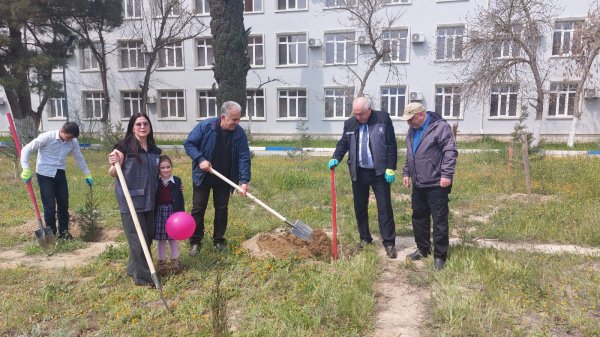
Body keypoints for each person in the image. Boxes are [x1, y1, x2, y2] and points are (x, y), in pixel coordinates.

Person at [328, 96, 398, 259]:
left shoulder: (382, 119)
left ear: (369, 110)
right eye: (355, 114)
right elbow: (343, 143)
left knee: (384, 207)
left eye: (360, 114)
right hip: (358, 172)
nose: (357, 117)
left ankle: (389, 242)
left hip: (379, 172)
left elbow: (391, 144)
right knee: (360, 207)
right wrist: (336, 158)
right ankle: (365, 238)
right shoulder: (350, 123)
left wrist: (390, 167)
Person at [184, 101, 251, 255]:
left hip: (224, 178)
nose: (237, 122)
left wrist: (243, 181)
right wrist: (200, 159)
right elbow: (189, 144)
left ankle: (219, 240)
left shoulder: (239, 133)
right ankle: (195, 241)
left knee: (221, 209)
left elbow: (243, 157)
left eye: (239, 119)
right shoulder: (206, 127)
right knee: (198, 209)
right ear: (223, 117)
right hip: (203, 176)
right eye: (234, 119)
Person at [400, 102, 458, 271]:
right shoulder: (412, 130)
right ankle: (423, 249)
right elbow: (411, 153)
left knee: (439, 220)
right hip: (418, 183)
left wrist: (446, 175)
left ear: (421, 115)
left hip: (436, 183)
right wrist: (406, 172)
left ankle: (440, 256)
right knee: (419, 217)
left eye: (410, 119)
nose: (408, 123)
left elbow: (450, 151)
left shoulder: (440, 127)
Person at [108, 113, 162, 287]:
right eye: (138, 124)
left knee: (147, 237)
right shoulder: (123, 148)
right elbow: (113, 172)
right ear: (132, 127)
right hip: (131, 201)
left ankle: (133, 269)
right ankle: (144, 279)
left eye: (145, 123)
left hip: (150, 199)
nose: (142, 127)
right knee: (137, 240)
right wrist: (113, 162)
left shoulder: (154, 150)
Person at [20, 122, 93, 240]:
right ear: (62, 131)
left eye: (72, 138)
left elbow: (78, 157)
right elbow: (26, 149)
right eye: (68, 137)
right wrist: (26, 169)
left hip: (60, 173)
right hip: (44, 174)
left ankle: (64, 233)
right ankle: (51, 235)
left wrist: (87, 173)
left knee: (63, 204)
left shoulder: (72, 141)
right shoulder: (46, 137)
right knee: (49, 206)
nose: (70, 140)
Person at [155, 155, 185, 275]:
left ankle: (175, 261)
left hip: (174, 212)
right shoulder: (156, 182)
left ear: (171, 167)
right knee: (161, 239)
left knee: (173, 238)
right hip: (160, 213)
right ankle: (161, 263)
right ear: (158, 170)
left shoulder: (177, 181)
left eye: (168, 167)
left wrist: (182, 214)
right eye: (162, 168)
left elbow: (180, 198)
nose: (166, 170)